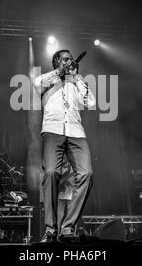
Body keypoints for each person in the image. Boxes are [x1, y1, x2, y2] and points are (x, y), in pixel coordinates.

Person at [34, 49, 96, 242]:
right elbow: (37, 84)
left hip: (76, 132)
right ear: (57, 62)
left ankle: (68, 227)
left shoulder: (76, 82)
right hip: (53, 130)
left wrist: (77, 78)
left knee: (86, 174)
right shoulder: (48, 79)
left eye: (71, 60)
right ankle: (51, 230)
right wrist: (60, 73)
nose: (70, 62)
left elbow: (90, 103)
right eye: (66, 59)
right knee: (52, 173)